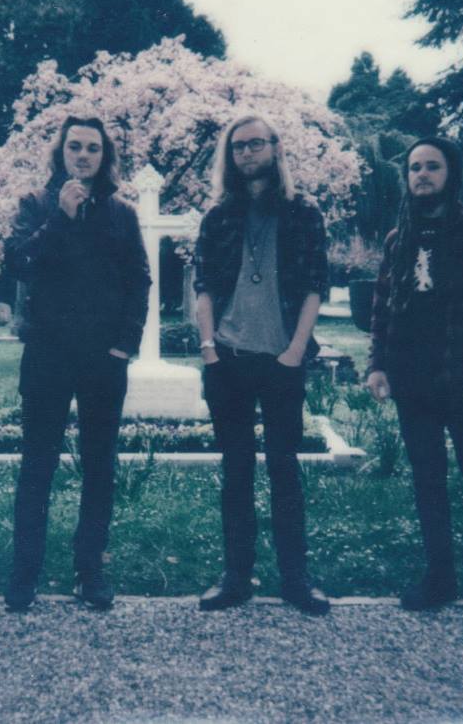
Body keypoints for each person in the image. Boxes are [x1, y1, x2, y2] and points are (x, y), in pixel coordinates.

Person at [366, 136, 463, 618]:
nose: (422, 175)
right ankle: (440, 578)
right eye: (415, 168)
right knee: (428, 481)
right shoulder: (399, 238)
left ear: (451, 173)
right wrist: (377, 364)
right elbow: (383, 307)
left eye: (431, 166)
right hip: (412, 380)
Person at [3, 116, 150, 611]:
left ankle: (90, 572)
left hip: (102, 359)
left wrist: (125, 345)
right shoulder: (36, 205)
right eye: (75, 147)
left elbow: (139, 281)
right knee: (37, 464)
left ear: (104, 157)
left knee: (99, 465)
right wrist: (60, 219)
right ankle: (24, 573)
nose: (83, 156)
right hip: (47, 354)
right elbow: (19, 264)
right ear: (61, 153)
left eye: (92, 148)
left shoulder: (121, 214)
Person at [193, 114, 330, 615]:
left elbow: (315, 286)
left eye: (255, 144)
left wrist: (295, 351)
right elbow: (203, 286)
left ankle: (295, 579)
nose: (247, 153)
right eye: (238, 147)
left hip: (281, 361)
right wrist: (209, 349)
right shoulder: (218, 216)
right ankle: (236, 578)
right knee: (236, 471)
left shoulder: (303, 212)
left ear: (275, 147)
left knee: (283, 470)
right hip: (228, 359)